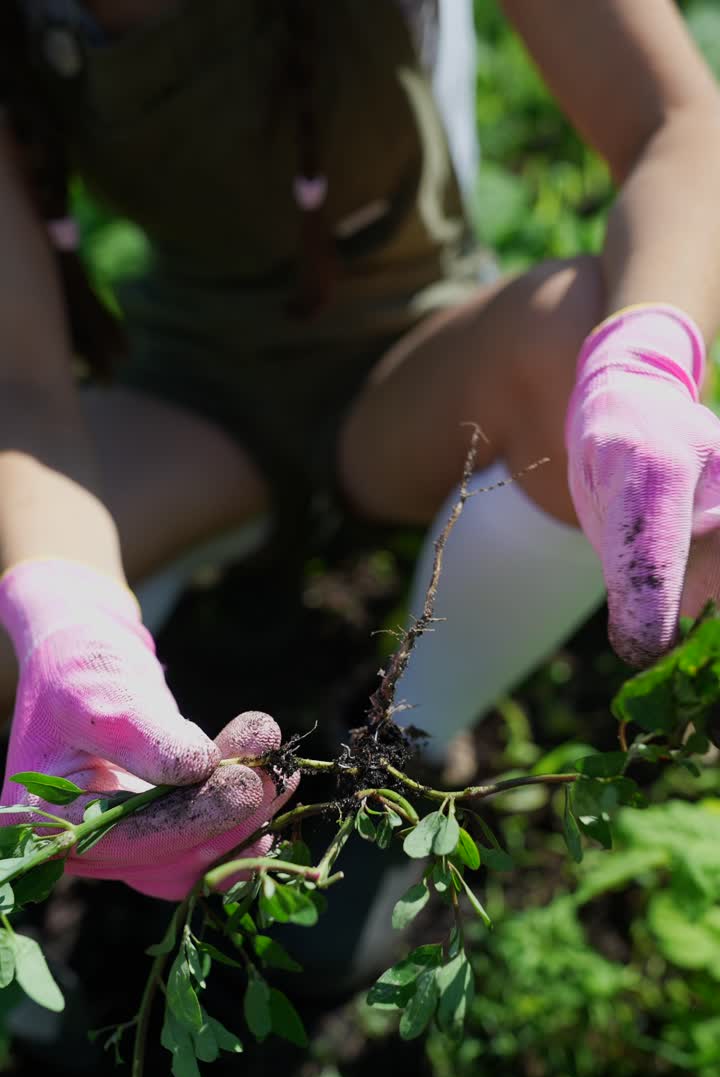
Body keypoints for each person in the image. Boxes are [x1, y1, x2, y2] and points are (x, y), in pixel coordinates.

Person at [1, 0, 720, 969]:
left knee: (574, 337)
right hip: (196, 397)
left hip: (423, 364)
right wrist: (67, 610)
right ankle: (113, 748)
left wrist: (644, 357)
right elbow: (21, 389)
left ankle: (406, 739)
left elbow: (678, 125)